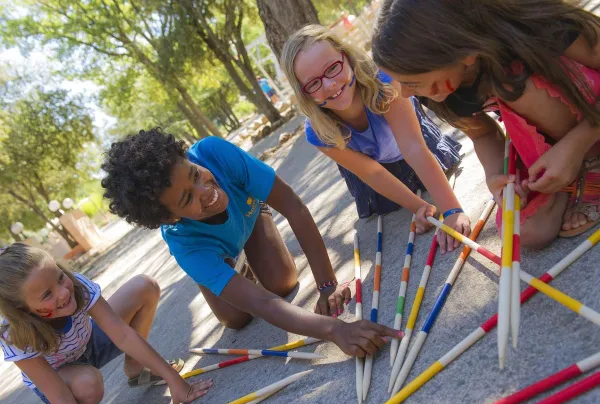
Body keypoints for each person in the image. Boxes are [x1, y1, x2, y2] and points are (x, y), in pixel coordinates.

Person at [101, 128, 399, 354]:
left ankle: (244, 249)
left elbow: (293, 207)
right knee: (236, 317)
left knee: (283, 283)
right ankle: (220, 270)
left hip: (249, 216)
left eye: (194, 174)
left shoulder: (214, 153)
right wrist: (334, 330)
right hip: (211, 251)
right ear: (169, 218)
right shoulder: (184, 243)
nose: (204, 190)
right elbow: (263, 305)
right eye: (187, 198)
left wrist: (327, 285)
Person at [372, 0, 600, 247]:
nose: (406, 94)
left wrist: (576, 146)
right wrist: (497, 178)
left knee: (513, 85)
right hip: (553, 138)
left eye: (412, 83)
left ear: (463, 53)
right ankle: (572, 172)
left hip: (590, 115)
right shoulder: (436, 83)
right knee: (528, 232)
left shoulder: (537, 25)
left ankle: (591, 161)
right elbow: (483, 135)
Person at [281, 24, 471, 254]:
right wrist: (419, 207)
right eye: (313, 83)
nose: (329, 85)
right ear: (303, 93)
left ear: (348, 57)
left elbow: (414, 148)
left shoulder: (383, 81)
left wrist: (451, 210)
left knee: (429, 171)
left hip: (414, 143)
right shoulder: (318, 131)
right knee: (388, 204)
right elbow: (372, 173)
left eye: (332, 68)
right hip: (373, 167)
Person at [0, 244, 212, 404]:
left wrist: (175, 381)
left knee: (144, 286)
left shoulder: (75, 285)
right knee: (88, 383)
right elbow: (60, 397)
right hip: (62, 377)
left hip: (88, 344)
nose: (63, 292)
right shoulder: (15, 334)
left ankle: (136, 368)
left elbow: (122, 334)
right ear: (21, 309)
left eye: (60, 277)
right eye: (47, 294)